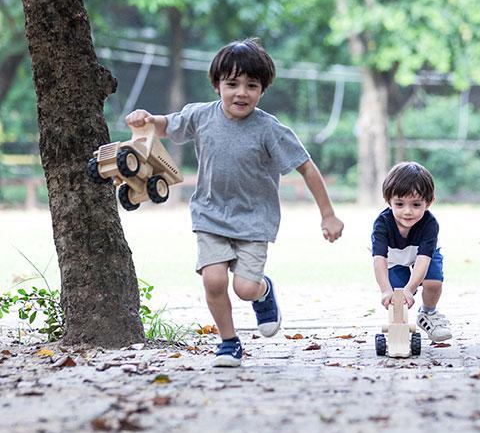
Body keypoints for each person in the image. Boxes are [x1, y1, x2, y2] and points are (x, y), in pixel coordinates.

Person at [126, 38, 343, 367]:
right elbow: (166, 125)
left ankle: (263, 292)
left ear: (262, 90)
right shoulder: (200, 116)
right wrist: (146, 119)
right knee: (213, 280)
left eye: (251, 85)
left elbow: (306, 167)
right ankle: (229, 343)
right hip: (210, 214)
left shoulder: (269, 129)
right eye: (232, 84)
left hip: (254, 220)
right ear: (217, 85)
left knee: (244, 288)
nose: (241, 93)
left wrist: (328, 215)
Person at [371, 161, 452, 343]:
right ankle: (398, 330)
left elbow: (423, 260)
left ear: (429, 202)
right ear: (388, 200)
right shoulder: (382, 224)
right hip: (394, 259)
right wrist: (385, 290)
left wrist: (411, 288)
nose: (407, 212)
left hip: (422, 254)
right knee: (398, 296)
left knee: (433, 283)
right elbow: (379, 260)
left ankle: (428, 313)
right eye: (399, 204)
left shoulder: (430, 224)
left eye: (416, 205)